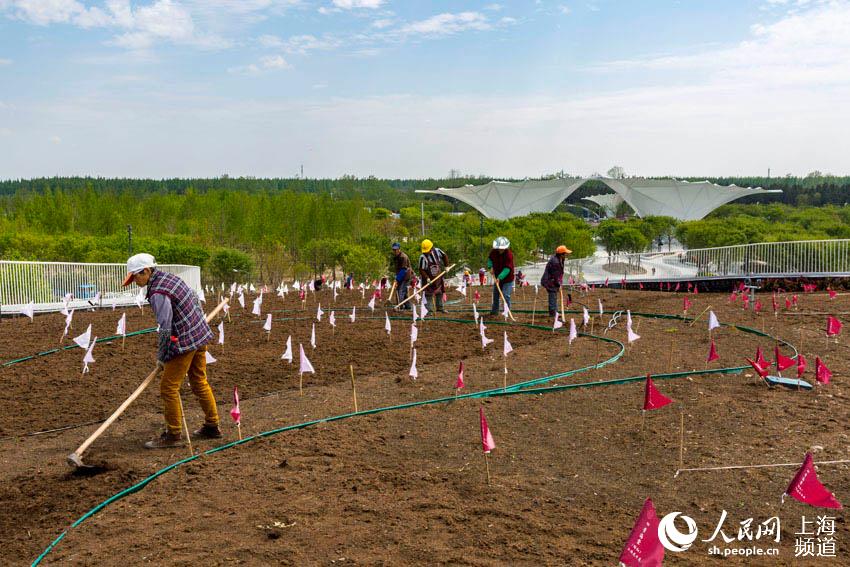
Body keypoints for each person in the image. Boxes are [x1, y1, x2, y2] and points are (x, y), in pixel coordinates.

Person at [122, 253, 221, 449]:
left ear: (147, 271)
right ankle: (212, 425)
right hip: (200, 334)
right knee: (199, 381)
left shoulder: (158, 292)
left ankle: (173, 434)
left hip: (185, 340)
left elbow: (165, 327)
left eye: (136, 277)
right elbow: (193, 300)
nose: (134, 281)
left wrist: (162, 356)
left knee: (168, 387)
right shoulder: (170, 278)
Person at [418, 239, 449, 312]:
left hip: (438, 277)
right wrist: (427, 278)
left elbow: (445, 256)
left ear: (431, 248)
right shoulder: (422, 258)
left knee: (440, 292)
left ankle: (440, 308)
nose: (426, 253)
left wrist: (446, 266)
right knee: (428, 294)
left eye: (427, 251)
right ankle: (429, 310)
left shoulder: (437, 251)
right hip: (428, 279)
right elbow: (421, 270)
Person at [540, 245, 572, 317]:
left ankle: (555, 312)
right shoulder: (555, 262)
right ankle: (553, 313)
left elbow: (559, 274)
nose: (566, 255)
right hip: (549, 281)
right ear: (561, 254)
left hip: (553, 280)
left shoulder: (559, 259)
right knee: (552, 295)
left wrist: (559, 283)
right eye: (565, 253)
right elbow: (555, 275)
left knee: (554, 296)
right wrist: (558, 284)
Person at [488, 236, 515, 316]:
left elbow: (507, 268)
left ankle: (506, 311)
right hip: (497, 277)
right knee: (495, 294)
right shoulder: (493, 252)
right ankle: (494, 311)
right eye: (499, 248)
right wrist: (490, 267)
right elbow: (490, 259)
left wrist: (500, 277)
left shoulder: (509, 255)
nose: (500, 250)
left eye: (502, 248)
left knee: (506, 295)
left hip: (507, 279)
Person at [391, 242, 412, 309]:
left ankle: (399, 306)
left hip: (406, 276)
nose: (395, 251)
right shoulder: (396, 257)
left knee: (401, 291)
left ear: (399, 249)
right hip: (400, 275)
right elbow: (397, 269)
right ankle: (408, 306)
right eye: (393, 250)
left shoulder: (403, 257)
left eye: (396, 249)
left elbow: (403, 269)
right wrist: (396, 277)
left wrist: (397, 279)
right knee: (402, 291)